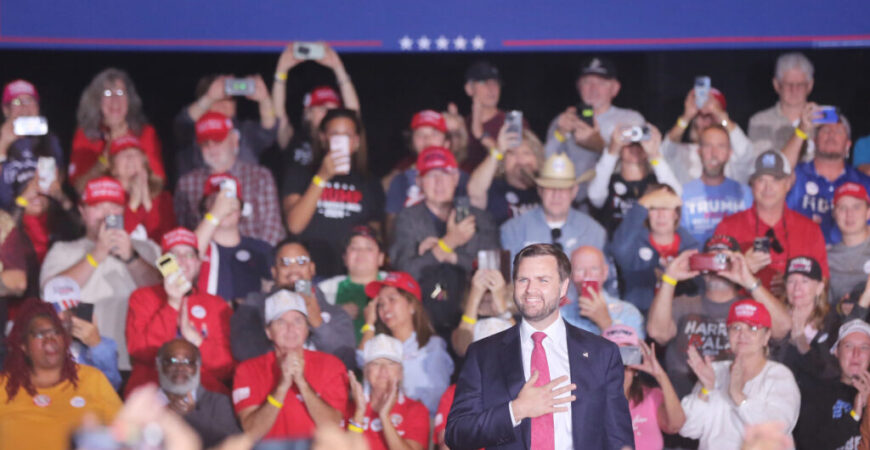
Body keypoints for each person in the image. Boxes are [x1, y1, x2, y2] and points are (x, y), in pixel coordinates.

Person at [446, 243, 633, 449]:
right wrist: (516, 410)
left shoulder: (602, 353)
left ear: (563, 287)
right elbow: (457, 434)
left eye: (543, 280)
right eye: (523, 280)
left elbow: (619, 438)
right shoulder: (483, 355)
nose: (530, 289)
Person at [40, 176, 161, 371]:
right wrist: (96, 255)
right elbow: (50, 292)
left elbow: (165, 291)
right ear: (82, 211)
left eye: (113, 207)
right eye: (97, 207)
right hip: (82, 364)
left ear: (123, 211)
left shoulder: (147, 249)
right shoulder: (62, 250)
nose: (106, 214)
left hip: (138, 363)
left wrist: (131, 257)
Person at [647, 235, 791, 397]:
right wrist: (670, 278)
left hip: (735, 399)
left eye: (723, 259)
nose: (717, 267)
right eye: (710, 259)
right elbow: (658, 333)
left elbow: (783, 328)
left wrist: (748, 278)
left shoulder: (751, 307)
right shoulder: (683, 304)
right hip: (686, 400)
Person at [390, 146, 500, 337]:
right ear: (419, 181)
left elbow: (492, 271)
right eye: (431, 175)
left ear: (456, 178)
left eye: (445, 174)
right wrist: (448, 242)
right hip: (424, 326)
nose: (439, 182)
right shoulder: (408, 218)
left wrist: (448, 255)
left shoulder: (479, 218)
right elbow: (404, 274)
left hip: (473, 319)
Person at [125, 227, 234, 397]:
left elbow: (226, 368)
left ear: (198, 262)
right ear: (162, 263)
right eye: (174, 255)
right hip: (153, 392)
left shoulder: (217, 305)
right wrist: (173, 304)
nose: (182, 261)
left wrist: (198, 341)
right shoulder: (142, 297)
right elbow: (140, 352)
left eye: (189, 255)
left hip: (204, 396)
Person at [0, 299, 121, 449]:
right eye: (40, 334)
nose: (50, 339)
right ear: (23, 345)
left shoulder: (92, 379)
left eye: (56, 332)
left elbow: (124, 434)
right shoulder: (4, 385)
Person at [680, 299, 801, 450]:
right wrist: (705, 390)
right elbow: (688, 429)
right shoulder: (714, 371)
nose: (743, 335)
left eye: (753, 328)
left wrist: (738, 396)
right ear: (728, 334)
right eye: (736, 327)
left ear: (766, 336)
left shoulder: (779, 376)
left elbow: (777, 430)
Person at [232, 289, 348, 441]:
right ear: (268, 332)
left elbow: (333, 425)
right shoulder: (248, 370)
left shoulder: (331, 365)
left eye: (298, 320)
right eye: (281, 321)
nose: (291, 328)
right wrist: (281, 387)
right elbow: (252, 431)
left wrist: (302, 384)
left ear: (307, 329)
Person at [282, 108, 385, 277]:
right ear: (323, 138)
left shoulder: (370, 183)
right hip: (308, 275)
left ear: (356, 141)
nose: (341, 140)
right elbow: (294, 225)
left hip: (350, 276)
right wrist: (322, 176)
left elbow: (375, 235)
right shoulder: (301, 173)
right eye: (335, 134)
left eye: (347, 135)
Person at [714, 150, 828, 297]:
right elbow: (714, 287)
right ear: (752, 184)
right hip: (743, 314)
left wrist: (793, 287)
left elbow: (823, 282)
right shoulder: (728, 227)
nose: (768, 187)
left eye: (775, 180)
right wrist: (741, 269)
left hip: (795, 314)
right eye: (761, 180)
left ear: (788, 183)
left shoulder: (810, 230)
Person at [230, 238, 355, 368]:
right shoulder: (255, 305)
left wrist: (318, 324)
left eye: (301, 262)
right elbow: (243, 351)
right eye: (285, 263)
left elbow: (347, 362)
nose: (294, 269)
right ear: (274, 272)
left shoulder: (336, 314)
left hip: (320, 386)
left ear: (312, 269)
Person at [544, 57, 645, 204]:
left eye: (601, 83)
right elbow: (545, 164)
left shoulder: (630, 120)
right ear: (578, 87)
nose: (593, 89)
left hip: (617, 201)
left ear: (615, 88)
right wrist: (560, 134)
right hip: (572, 204)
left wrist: (600, 145)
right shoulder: (564, 120)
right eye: (587, 82)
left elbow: (641, 164)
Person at [175, 111, 284, 246]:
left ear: (234, 140)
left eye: (217, 141)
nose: (212, 148)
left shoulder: (260, 177)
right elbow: (182, 233)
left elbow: (273, 230)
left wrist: (254, 258)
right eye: (205, 143)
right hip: (206, 260)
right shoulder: (187, 183)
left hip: (255, 260)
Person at [359, 271, 454, 414]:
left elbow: (437, 398)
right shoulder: (380, 343)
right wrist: (369, 324)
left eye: (392, 300)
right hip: (379, 423)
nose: (385, 309)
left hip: (420, 425)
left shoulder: (432, 346)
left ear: (412, 306)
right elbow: (361, 360)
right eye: (380, 304)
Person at [782, 104, 870, 243]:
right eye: (825, 130)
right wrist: (802, 129)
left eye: (839, 132)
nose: (832, 135)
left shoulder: (863, 183)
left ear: (848, 144)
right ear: (814, 140)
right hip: (799, 257)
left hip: (847, 261)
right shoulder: (797, 175)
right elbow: (779, 171)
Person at [608, 185, 700, 313]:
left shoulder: (691, 248)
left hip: (682, 320)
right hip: (640, 319)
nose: (661, 215)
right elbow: (619, 250)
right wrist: (642, 204)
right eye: (654, 208)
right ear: (645, 213)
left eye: (666, 207)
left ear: (676, 213)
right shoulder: (632, 245)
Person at [70, 68, 164, 190]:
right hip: (101, 205)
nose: (115, 100)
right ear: (97, 101)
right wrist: (107, 152)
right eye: (108, 93)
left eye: (120, 93)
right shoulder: (85, 135)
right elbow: (80, 187)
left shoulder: (146, 133)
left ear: (129, 100)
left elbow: (158, 181)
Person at [501, 153, 605, 262]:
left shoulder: (593, 232)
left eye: (563, 188)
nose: (556, 195)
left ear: (574, 191)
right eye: (550, 187)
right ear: (540, 190)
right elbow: (509, 276)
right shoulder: (513, 230)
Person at [272, 42, 361, 171]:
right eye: (322, 108)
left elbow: (354, 116)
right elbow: (279, 118)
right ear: (308, 113)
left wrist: (338, 68)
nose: (328, 114)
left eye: (333, 110)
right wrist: (281, 70)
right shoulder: (295, 140)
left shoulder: (342, 141)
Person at [384, 110, 471, 239]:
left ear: (447, 142)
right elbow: (390, 232)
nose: (427, 139)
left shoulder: (463, 179)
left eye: (434, 133)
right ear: (412, 142)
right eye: (420, 134)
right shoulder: (400, 180)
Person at [173, 73, 277, 178]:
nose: (222, 104)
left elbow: (268, 131)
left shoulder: (245, 131)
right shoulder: (194, 129)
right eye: (217, 100)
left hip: (243, 191)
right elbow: (182, 123)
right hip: (199, 191)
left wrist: (265, 99)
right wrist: (209, 97)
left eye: (228, 99)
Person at [192, 173, 273, 304]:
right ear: (205, 209)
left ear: (241, 209)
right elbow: (186, 258)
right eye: (216, 201)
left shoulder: (261, 249)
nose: (224, 207)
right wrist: (215, 214)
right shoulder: (199, 244)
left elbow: (288, 283)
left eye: (231, 201)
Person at [602, 325, 685, 450]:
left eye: (627, 357)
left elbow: (675, 425)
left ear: (636, 365)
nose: (620, 368)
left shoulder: (651, 396)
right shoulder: (587, 401)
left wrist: (661, 375)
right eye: (612, 358)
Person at [588, 124, 682, 231]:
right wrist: (612, 151)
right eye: (628, 143)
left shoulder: (656, 183)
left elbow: (676, 196)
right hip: (615, 243)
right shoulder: (608, 181)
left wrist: (655, 155)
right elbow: (594, 197)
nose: (635, 148)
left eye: (640, 144)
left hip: (647, 243)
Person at [794, 319, 870, 450]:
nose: (856, 354)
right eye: (849, 346)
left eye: (864, 347)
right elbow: (809, 444)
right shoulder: (817, 392)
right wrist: (854, 415)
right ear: (836, 351)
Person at [346, 334, 430, 450]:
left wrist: (384, 417)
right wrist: (359, 413)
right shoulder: (351, 409)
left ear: (400, 372)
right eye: (376, 363)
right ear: (366, 372)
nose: (383, 370)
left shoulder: (415, 410)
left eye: (391, 363)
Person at [770, 256, 844, 385]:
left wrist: (801, 342)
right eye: (791, 281)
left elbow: (831, 371)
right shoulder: (776, 318)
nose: (797, 288)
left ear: (820, 288)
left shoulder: (832, 322)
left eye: (805, 281)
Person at [156, 338, 241, 448]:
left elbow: (237, 444)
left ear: (198, 366)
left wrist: (193, 416)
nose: (180, 368)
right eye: (172, 361)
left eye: (188, 362)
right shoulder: (143, 403)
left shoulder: (218, 403)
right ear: (159, 364)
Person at [662, 86, 754, 185]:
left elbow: (746, 153)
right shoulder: (684, 152)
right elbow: (666, 150)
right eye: (701, 116)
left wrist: (721, 115)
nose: (707, 122)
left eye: (712, 116)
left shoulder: (730, 154)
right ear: (694, 120)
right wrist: (686, 117)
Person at [42, 276, 121, 390]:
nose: (65, 317)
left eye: (71, 310)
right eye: (58, 310)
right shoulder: (37, 344)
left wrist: (96, 345)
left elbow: (112, 386)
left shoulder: (102, 344)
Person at [679, 125, 754, 244]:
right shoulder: (682, 193)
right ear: (699, 151)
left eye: (721, 146)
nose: (714, 153)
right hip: (693, 260)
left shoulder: (745, 193)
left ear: (730, 153)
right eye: (708, 146)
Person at [0, 79, 66, 210]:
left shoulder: (50, 141)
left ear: (37, 107)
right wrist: (3, 145)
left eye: (29, 100)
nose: (24, 107)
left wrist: (57, 184)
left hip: (43, 214)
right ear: (6, 110)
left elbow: (60, 175)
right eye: (17, 102)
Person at [318, 225, 388, 343]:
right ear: (345, 258)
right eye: (354, 248)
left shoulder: (395, 285)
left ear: (381, 258)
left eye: (368, 248)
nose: (361, 252)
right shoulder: (326, 288)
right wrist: (336, 313)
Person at [467, 123, 544, 225]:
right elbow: (474, 192)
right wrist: (498, 150)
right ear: (503, 161)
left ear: (537, 160)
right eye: (512, 153)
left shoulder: (546, 189)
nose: (520, 159)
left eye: (526, 153)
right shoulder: (494, 188)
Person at [561, 246, 643, 337]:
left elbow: (630, 351)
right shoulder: (561, 316)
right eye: (579, 270)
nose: (587, 275)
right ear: (570, 275)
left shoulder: (628, 312)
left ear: (605, 272)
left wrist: (605, 323)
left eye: (594, 269)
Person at [748, 52, 815, 163]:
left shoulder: (825, 121)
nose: (794, 90)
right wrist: (801, 131)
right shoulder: (759, 121)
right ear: (776, 85)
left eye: (800, 85)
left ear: (810, 85)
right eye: (788, 84)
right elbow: (765, 165)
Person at [108, 135, 176, 242]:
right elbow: (113, 241)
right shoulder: (105, 198)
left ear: (144, 163)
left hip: (157, 258)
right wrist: (133, 204)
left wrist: (146, 199)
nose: (130, 158)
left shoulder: (164, 198)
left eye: (135, 153)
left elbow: (164, 241)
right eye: (123, 153)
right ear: (113, 168)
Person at [459, 61, 519, 172]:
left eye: (495, 83)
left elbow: (513, 167)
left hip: (500, 187)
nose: (492, 88)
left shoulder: (512, 122)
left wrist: (481, 135)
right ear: (469, 89)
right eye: (483, 82)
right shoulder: (462, 124)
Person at [452, 267, 515, 357]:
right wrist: (475, 296)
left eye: (490, 290)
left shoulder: (516, 318)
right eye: (483, 290)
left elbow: (519, 345)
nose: (487, 296)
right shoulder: (461, 320)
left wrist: (501, 304)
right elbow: (463, 348)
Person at [829, 182, 870, 302]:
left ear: (868, 213)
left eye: (856, 207)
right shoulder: (827, 258)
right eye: (842, 208)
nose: (849, 214)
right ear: (834, 214)